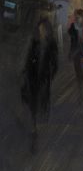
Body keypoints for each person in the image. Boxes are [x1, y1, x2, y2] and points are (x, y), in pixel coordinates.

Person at [21, 17, 58, 148]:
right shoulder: (34, 41)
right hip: (32, 75)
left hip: (44, 76)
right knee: (32, 100)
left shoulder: (52, 43)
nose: (42, 31)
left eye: (44, 29)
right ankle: (34, 127)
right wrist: (25, 70)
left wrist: (52, 73)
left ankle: (40, 121)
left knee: (43, 100)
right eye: (40, 28)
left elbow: (55, 60)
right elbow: (28, 57)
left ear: (48, 30)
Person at [68, 9, 83, 86]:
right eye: (76, 17)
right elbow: (70, 32)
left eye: (79, 17)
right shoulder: (73, 26)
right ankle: (79, 80)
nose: (77, 19)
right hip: (75, 49)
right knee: (76, 65)